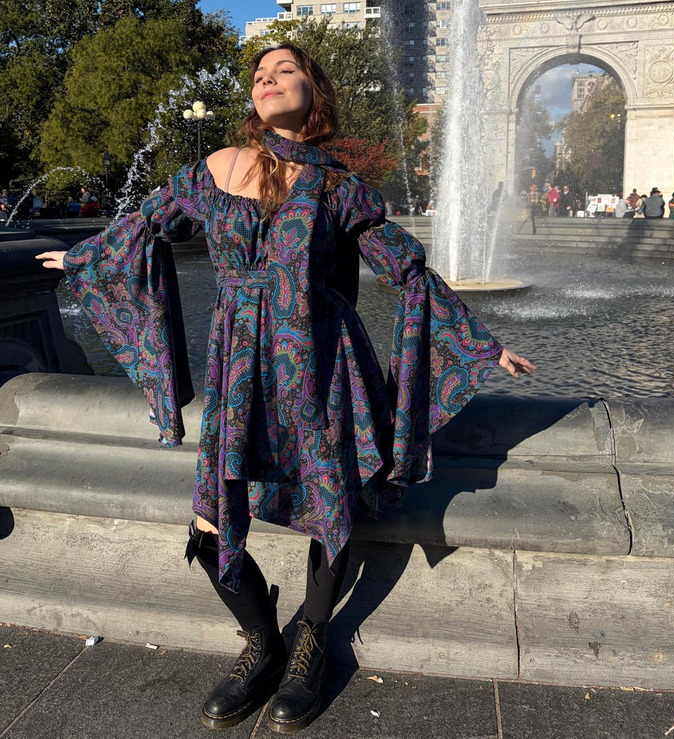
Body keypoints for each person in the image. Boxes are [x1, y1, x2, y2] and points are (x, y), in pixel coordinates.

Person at [36, 44, 536, 734]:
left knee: (329, 505)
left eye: (285, 70)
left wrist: (481, 343)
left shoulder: (340, 189)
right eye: (259, 75)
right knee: (211, 520)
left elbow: (407, 272)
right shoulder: (216, 169)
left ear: (314, 91)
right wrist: (84, 257)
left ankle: (311, 645)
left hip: (322, 366)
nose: (267, 80)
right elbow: (145, 226)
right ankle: (263, 639)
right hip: (240, 367)